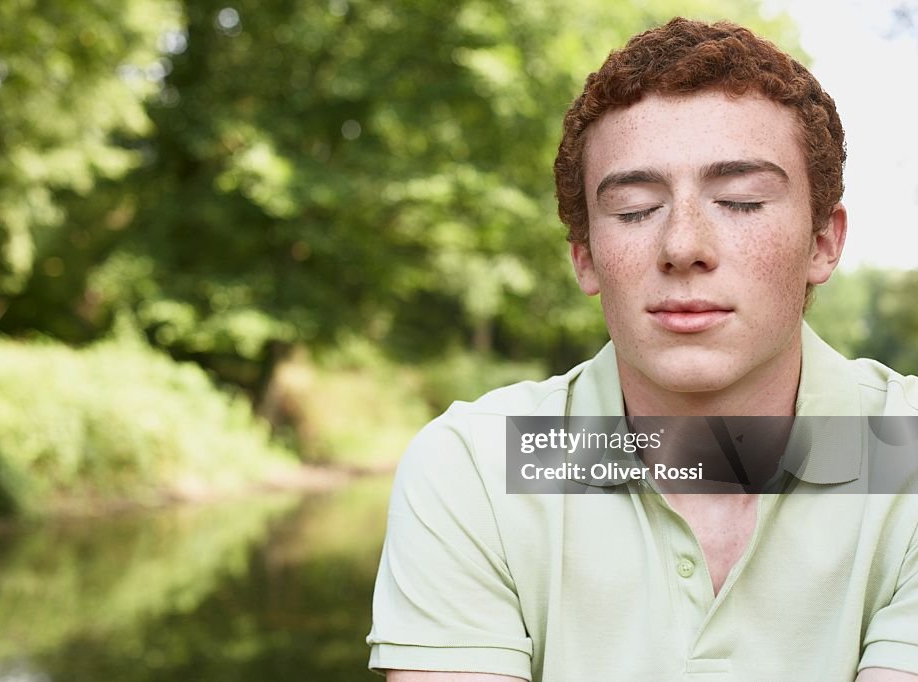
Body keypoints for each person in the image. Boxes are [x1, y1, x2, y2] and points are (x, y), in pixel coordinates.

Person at [366, 17, 918, 682]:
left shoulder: (907, 452)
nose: (683, 246)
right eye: (633, 209)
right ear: (585, 257)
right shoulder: (475, 469)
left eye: (741, 201)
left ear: (823, 243)